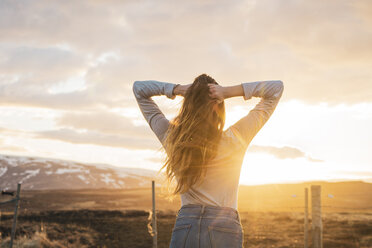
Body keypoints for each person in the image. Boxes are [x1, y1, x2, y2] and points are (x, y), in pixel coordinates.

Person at [132, 74, 284, 248]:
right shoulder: (235, 138)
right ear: (218, 105)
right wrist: (227, 92)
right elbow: (275, 88)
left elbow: (139, 89)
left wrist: (177, 89)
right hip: (223, 225)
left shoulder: (173, 139)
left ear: (187, 103)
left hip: (185, 226)